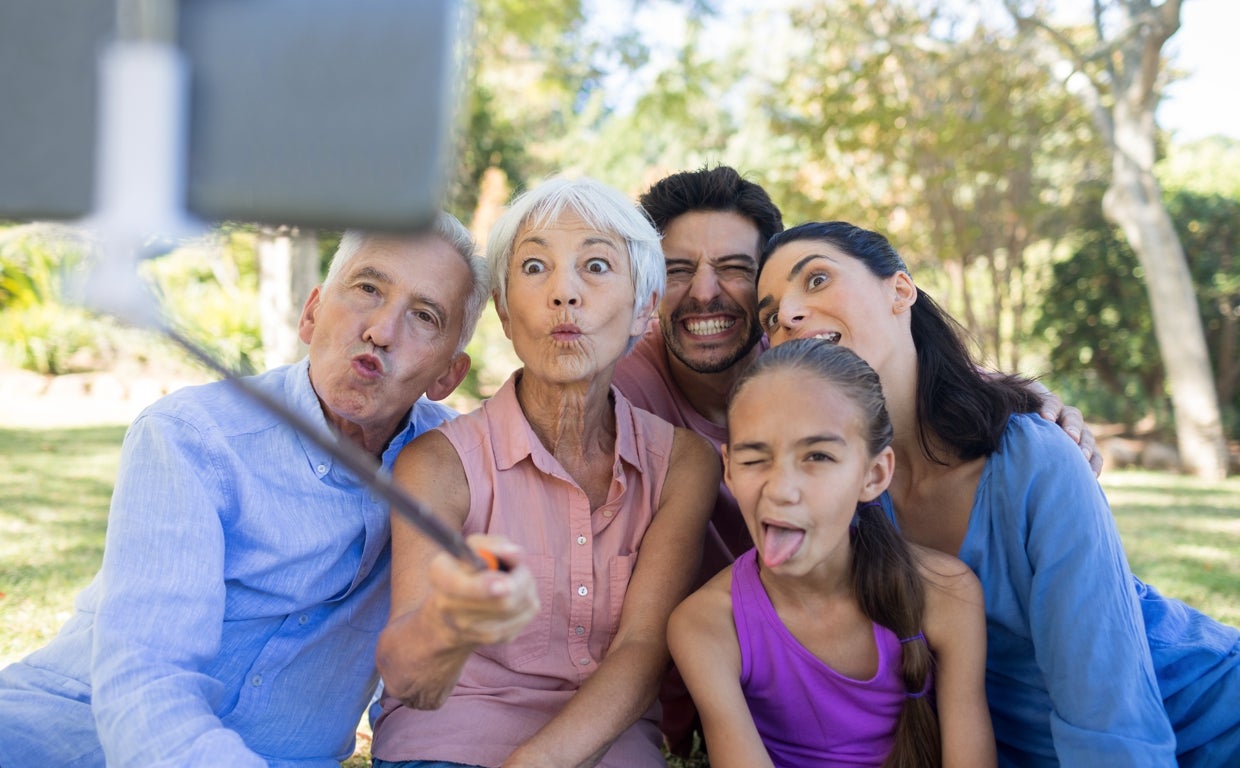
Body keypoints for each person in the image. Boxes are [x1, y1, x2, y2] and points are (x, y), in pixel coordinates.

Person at [0, 215, 540, 767]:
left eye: (424, 316)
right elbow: (146, 680)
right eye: (367, 288)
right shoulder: (192, 438)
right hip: (71, 730)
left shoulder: (453, 466)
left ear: (449, 374)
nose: (381, 329)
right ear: (311, 314)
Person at [615, 164, 1101, 755]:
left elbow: (892, 359)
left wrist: (1019, 396)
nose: (705, 291)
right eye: (678, 270)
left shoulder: (799, 346)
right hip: (744, 656)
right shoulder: (623, 383)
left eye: (737, 269)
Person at [756, 220, 1240, 767]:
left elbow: (1111, 716)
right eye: (770, 317)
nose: (789, 315)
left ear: (900, 290)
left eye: (816, 280)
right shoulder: (839, 493)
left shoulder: (1035, 457)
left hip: (1200, 719)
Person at [369, 177, 719, 768]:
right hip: (449, 746)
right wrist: (444, 624)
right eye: (534, 267)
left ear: (643, 309)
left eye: (597, 266)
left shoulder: (684, 464)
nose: (564, 293)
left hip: (607, 747)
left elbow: (641, 649)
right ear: (504, 313)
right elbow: (411, 681)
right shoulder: (438, 464)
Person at [669, 339, 995, 768]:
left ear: (874, 474)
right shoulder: (707, 625)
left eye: (817, 457)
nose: (781, 489)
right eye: (754, 460)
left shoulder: (946, 593)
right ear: (728, 469)